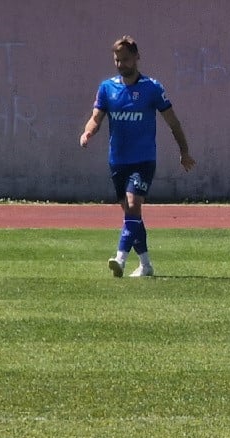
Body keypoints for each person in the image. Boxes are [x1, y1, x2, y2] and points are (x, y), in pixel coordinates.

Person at [80, 35, 195, 277]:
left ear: (136, 58)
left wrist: (184, 151)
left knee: (133, 205)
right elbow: (96, 117)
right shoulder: (107, 88)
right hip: (117, 161)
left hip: (143, 160)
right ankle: (146, 264)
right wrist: (88, 133)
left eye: (125, 59)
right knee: (131, 213)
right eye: (117, 60)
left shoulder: (152, 88)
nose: (121, 64)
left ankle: (120, 259)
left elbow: (173, 122)